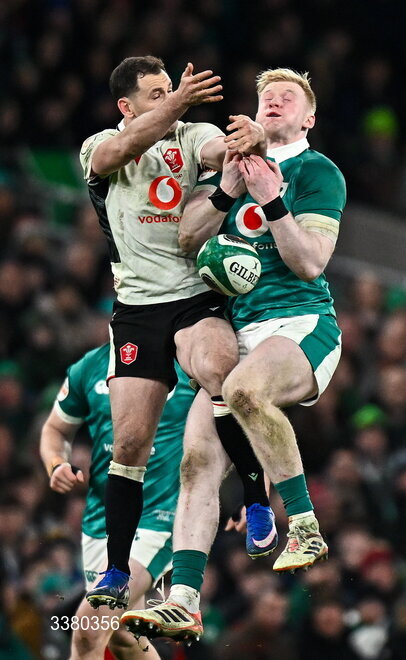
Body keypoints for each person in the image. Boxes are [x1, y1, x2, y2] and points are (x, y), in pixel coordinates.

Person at [121, 68, 347, 641]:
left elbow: (311, 263)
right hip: (240, 332)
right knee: (195, 462)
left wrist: (272, 202)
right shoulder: (232, 166)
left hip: (301, 323)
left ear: (308, 117)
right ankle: (185, 600)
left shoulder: (319, 173)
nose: (273, 101)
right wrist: (227, 188)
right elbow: (187, 237)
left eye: (287, 97)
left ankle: (304, 522)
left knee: (244, 391)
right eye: (266, 96)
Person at [79, 55, 273, 610]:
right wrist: (176, 103)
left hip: (194, 295)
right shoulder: (100, 147)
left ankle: (257, 500)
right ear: (127, 106)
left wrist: (252, 138)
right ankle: (117, 570)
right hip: (137, 309)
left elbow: (223, 150)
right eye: (157, 93)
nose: (172, 98)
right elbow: (119, 152)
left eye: (173, 89)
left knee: (220, 373)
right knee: (130, 444)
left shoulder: (191, 134)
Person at [39, 343, 195, 658]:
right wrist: (56, 464)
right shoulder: (89, 367)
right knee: (122, 635)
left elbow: (232, 420)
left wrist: (252, 494)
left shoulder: (189, 364)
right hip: (103, 521)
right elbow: (55, 429)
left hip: (161, 517)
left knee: (89, 624)